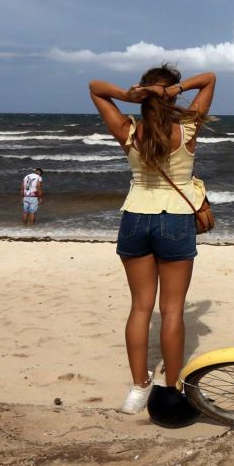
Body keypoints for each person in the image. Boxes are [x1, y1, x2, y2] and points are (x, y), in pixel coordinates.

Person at [89, 65, 215, 416]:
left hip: (135, 217)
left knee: (140, 307)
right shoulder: (187, 128)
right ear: (170, 94)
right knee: (172, 309)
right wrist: (172, 90)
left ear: (142, 96)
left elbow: (96, 87)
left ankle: (137, 388)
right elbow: (209, 78)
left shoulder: (129, 132)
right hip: (175, 218)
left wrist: (128, 96)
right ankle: (171, 387)